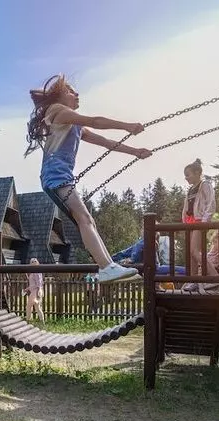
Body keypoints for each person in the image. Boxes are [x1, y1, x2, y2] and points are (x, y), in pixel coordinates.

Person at [26, 74, 153, 284]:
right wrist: (127, 126)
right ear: (59, 97)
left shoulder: (73, 125)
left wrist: (135, 151)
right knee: (84, 218)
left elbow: (104, 141)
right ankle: (106, 267)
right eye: (70, 91)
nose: (76, 94)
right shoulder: (57, 111)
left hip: (58, 175)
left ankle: (108, 265)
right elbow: (95, 121)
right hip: (55, 174)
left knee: (86, 219)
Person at [181, 158, 219, 291]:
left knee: (195, 251)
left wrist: (205, 219)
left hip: (199, 221)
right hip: (191, 222)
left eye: (188, 175)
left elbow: (211, 202)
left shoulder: (205, 185)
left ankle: (214, 276)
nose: (186, 178)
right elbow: (186, 208)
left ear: (198, 173)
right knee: (190, 253)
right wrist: (184, 222)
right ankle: (194, 280)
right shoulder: (190, 190)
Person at [23, 258, 46, 323]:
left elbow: (39, 283)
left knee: (28, 306)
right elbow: (34, 284)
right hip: (35, 290)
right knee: (37, 308)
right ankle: (42, 322)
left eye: (35, 261)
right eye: (32, 261)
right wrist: (27, 289)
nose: (34, 262)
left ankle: (28, 321)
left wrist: (38, 290)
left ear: (37, 262)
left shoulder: (36, 272)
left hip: (35, 291)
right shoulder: (34, 272)